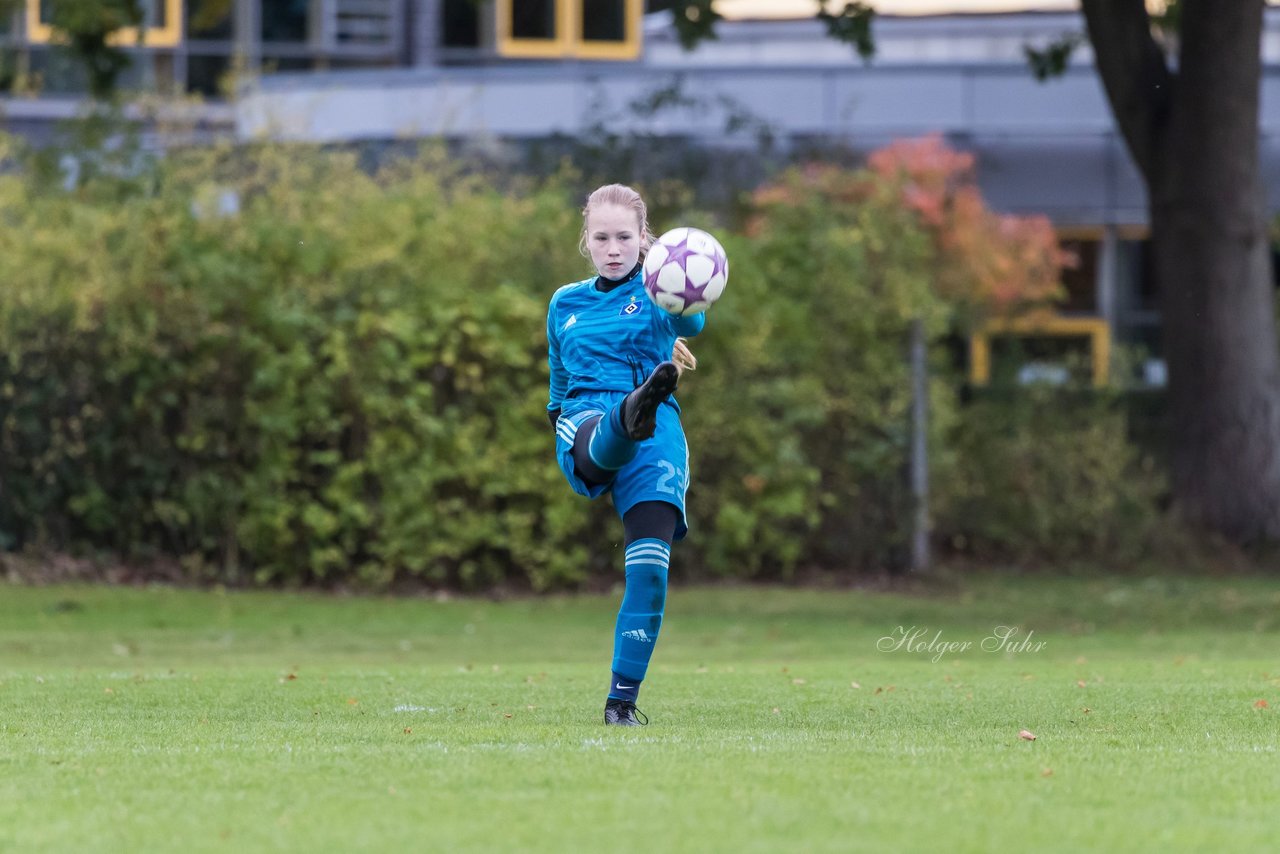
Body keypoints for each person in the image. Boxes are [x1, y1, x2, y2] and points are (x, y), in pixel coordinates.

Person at [545, 183, 706, 727]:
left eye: (625, 237)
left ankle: (621, 704)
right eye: (601, 237)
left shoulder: (661, 287)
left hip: (657, 434)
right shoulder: (564, 303)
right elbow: (559, 382)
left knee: (650, 571)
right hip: (585, 419)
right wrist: (558, 422)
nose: (614, 248)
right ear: (586, 242)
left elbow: (692, 321)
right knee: (601, 438)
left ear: (644, 240)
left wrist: (691, 289)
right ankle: (628, 412)